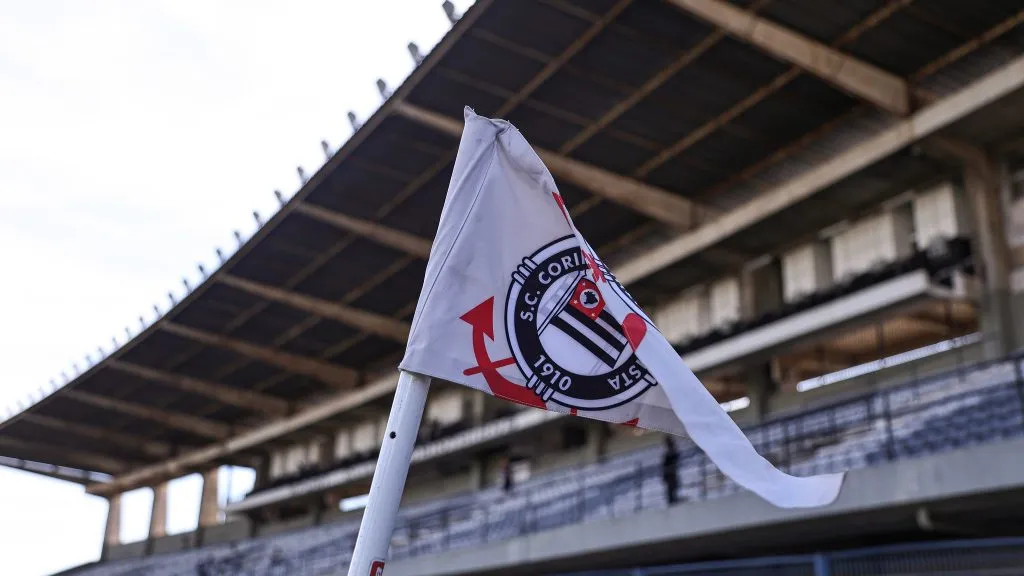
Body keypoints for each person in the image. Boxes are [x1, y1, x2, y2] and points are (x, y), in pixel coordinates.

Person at [662, 435, 679, 505]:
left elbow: (675, 457)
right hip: (670, 473)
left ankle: (672, 500)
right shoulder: (670, 453)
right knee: (671, 488)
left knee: (672, 488)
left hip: (670, 473)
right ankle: (672, 500)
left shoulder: (670, 453)